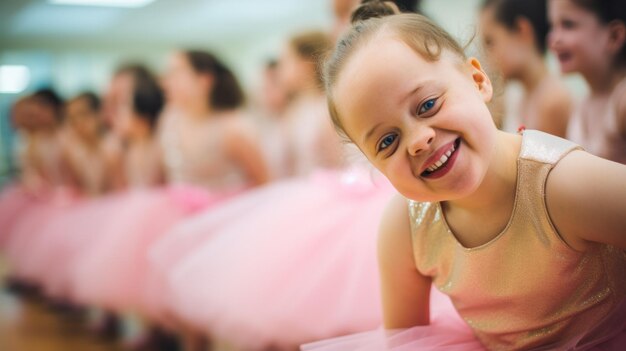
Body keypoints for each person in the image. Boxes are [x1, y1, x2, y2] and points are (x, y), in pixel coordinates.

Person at [303, 1, 626, 349]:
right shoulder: (405, 228)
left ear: (477, 80)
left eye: (427, 105)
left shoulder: (561, 183)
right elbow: (403, 341)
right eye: (387, 141)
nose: (418, 140)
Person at [549, 0, 626, 164]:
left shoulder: (622, 102)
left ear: (614, 36)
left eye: (568, 25)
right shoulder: (581, 105)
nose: (553, 39)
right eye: (552, 26)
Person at [480, 0, 572, 136]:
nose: (485, 55)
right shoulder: (518, 96)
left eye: (490, 42)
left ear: (521, 30)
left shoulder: (552, 102)